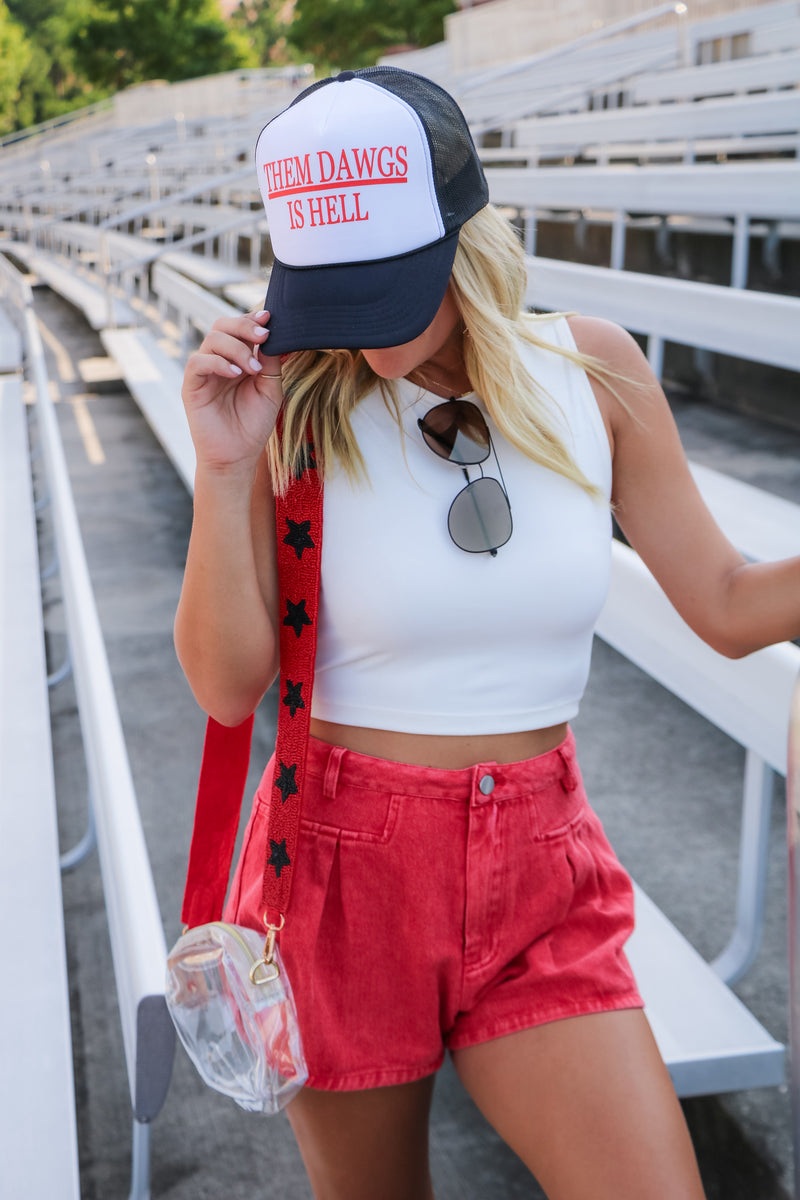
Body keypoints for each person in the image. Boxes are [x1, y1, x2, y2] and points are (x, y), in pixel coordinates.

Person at [174, 66, 800, 1200]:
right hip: (338, 877)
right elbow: (227, 687)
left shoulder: (591, 370)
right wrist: (226, 472)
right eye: (330, 290)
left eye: (385, 288)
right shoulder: (292, 405)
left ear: (462, 242)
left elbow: (723, 599)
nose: (356, 333)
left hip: (539, 867)